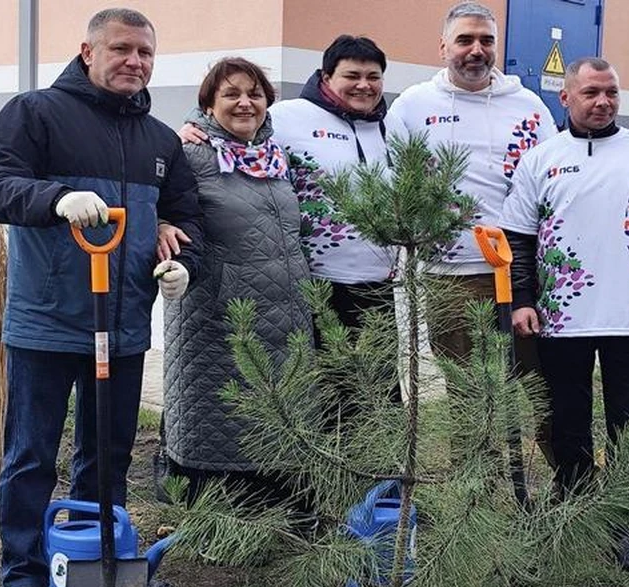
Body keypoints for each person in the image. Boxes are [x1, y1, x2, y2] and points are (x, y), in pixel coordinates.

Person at [0, 8, 203, 587]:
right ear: (87, 52)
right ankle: (23, 577)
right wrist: (53, 199)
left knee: (108, 455)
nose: (135, 62)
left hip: (123, 325)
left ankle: (105, 558)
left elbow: (185, 218)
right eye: (122, 50)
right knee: (29, 455)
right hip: (46, 322)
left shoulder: (159, 141)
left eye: (145, 53)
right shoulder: (37, 113)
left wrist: (184, 261)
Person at [500, 58, 629, 575]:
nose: (603, 102)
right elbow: (518, 239)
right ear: (565, 98)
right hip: (560, 316)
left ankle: (621, 521)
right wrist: (522, 299)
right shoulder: (540, 159)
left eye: (611, 92)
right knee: (566, 419)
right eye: (591, 92)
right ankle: (574, 507)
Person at [173, 35, 403, 334]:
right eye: (352, 76)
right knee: (317, 377)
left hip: (381, 283)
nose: (364, 85)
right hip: (314, 282)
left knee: (379, 379)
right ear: (326, 77)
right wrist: (192, 125)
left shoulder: (393, 125)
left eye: (373, 77)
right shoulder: (290, 116)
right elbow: (237, 120)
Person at [160, 58, 313, 507]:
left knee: (278, 404)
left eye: (255, 94)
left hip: (286, 308)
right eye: (231, 94)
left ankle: (276, 504)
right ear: (208, 104)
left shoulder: (276, 156)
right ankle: (213, 508)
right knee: (216, 407)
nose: (245, 103)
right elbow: (158, 206)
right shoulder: (187, 154)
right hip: (218, 310)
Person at [388, 1, 557, 363]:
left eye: (487, 40)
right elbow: (394, 183)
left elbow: (553, 182)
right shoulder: (412, 106)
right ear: (443, 47)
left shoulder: (530, 107)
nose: (477, 50)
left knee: (536, 379)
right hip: (450, 273)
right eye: (465, 39)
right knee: (465, 382)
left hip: (523, 271)